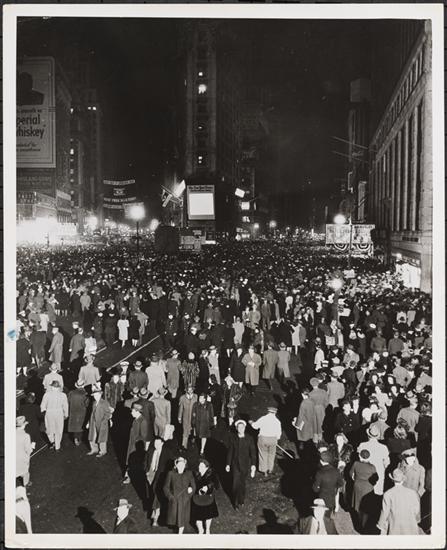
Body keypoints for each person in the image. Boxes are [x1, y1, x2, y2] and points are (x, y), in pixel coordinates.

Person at [377, 468, 421, 535]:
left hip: (395, 527)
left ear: (392, 480)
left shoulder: (388, 494)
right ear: (403, 480)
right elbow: (416, 510)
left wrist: (380, 525)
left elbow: (385, 512)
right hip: (410, 527)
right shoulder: (412, 493)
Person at [225, 419, 256, 510]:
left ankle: (241, 500)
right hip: (235, 465)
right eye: (239, 427)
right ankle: (235, 503)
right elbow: (230, 452)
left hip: (245, 465)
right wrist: (228, 464)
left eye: (242, 427)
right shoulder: (233, 438)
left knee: (242, 483)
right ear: (236, 428)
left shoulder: (249, 438)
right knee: (235, 483)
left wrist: (253, 465)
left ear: (245, 428)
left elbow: (253, 453)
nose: (241, 429)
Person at [163, 456, 196, 534]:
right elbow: (165, 487)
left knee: (182, 519)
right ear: (176, 465)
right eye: (179, 465)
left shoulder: (189, 474)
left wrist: (189, 492)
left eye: (182, 465)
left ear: (185, 465)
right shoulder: (171, 474)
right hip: (175, 500)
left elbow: (194, 486)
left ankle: (180, 534)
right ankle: (179, 532)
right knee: (176, 519)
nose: (181, 466)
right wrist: (171, 497)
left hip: (185, 500)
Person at [350, 449, 378, 532]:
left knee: (358, 504)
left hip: (357, 486)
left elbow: (351, 474)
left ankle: (358, 522)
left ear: (360, 456)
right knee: (366, 507)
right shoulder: (372, 467)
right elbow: (376, 478)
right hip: (368, 488)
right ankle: (364, 525)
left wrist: (356, 480)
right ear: (369, 457)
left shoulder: (356, 464)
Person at [358, 424, 390, 495]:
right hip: (379, 473)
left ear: (368, 435)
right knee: (378, 495)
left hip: (365, 474)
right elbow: (387, 463)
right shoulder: (383, 447)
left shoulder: (362, 445)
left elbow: (360, 460)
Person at [250, 406, 282, 476]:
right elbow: (279, 433)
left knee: (263, 454)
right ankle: (270, 469)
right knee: (271, 455)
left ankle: (264, 471)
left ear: (268, 412)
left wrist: (251, 422)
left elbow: (255, 426)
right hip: (273, 439)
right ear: (275, 413)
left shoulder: (263, 419)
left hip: (263, 439)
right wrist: (276, 439)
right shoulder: (277, 421)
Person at [192, 458, 219, 534]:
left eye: (202, 466)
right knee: (197, 516)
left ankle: (207, 529)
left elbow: (216, 484)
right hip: (197, 498)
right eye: (199, 466)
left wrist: (208, 487)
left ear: (207, 467)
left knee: (208, 515)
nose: (200, 468)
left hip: (208, 498)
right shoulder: (195, 474)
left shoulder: (211, 474)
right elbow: (192, 484)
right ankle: (200, 530)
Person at [312, 450, 344, 514]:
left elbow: (315, 489)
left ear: (321, 461)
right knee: (328, 515)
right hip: (331, 498)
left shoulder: (320, 473)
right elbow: (341, 483)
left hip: (322, 498)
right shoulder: (336, 471)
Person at [40, 380, 68, 451]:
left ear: (52, 387)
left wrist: (44, 411)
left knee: (49, 429)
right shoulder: (63, 395)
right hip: (59, 413)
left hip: (49, 413)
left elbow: (42, 406)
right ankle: (57, 446)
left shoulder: (46, 394)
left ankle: (52, 441)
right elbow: (65, 406)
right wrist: (66, 414)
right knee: (59, 430)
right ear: (58, 387)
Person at [87, 383, 112, 457]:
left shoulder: (104, 403)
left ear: (100, 394)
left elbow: (108, 414)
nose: (95, 396)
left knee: (102, 437)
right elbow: (92, 413)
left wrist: (104, 422)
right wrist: (88, 422)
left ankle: (102, 451)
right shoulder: (94, 403)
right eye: (94, 395)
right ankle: (94, 449)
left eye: (97, 395)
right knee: (92, 435)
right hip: (93, 422)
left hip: (102, 423)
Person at [293, 387, 317, 455]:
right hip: (312, 422)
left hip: (304, 423)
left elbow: (300, 415)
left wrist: (297, 424)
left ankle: (302, 451)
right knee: (309, 437)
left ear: (302, 394)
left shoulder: (303, 403)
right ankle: (309, 450)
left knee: (302, 437)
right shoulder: (312, 401)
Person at [67, 380, 89, 446]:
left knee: (74, 426)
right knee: (80, 426)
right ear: (83, 385)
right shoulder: (85, 394)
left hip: (73, 412)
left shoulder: (71, 393)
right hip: (82, 412)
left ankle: (75, 438)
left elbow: (68, 401)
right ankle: (79, 438)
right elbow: (87, 404)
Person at [16, 416, 34, 486]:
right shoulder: (26, 436)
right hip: (22, 458)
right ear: (23, 425)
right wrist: (32, 447)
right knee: (25, 472)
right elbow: (28, 450)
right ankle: (26, 484)